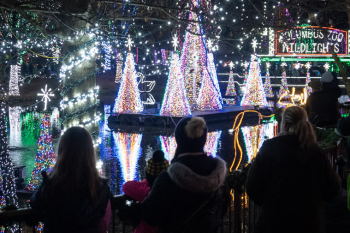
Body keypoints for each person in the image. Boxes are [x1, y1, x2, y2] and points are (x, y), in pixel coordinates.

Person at [246, 106, 340, 233]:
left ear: (284, 124)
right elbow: (332, 189)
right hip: (309, 222)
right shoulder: (314, 151)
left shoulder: (269, 148)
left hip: (273, 222)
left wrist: (269, 204)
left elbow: (252, 186)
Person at [141, 117, 230, 233]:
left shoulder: (167, 180)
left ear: (179, 140)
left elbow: (150, 216)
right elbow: (223, 206)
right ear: (203, 139)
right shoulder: (218, 175)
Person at [30, 127, 111, 233]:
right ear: (90, 152)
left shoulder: (52, 187)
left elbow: (35, 205)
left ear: (62, 151)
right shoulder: (100, 188)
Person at [122, 150, 169, 233]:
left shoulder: (145, 191)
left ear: (148, 175)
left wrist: (145, 182)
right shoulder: (173, 189)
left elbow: (126, 186)